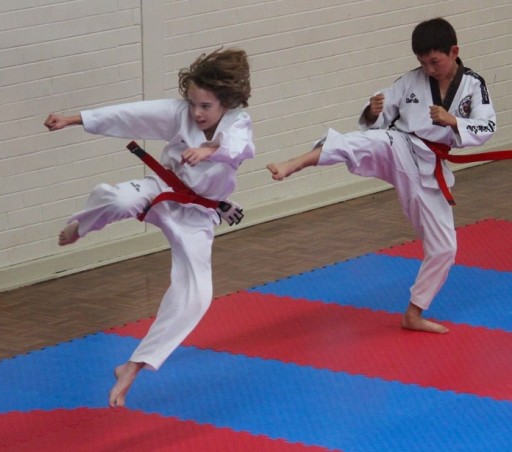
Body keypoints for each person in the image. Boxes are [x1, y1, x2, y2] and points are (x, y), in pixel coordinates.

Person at [44, 48, 254, 406]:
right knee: (117, 200)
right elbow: (130, 115)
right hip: (165, 190)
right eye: (193, 104)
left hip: (198, 216)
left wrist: (209, 150)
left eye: (206, 106)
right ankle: (82, 226)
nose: (197, 113)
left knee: (197, 296)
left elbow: (238, 147)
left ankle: (133, 365)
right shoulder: (179, 113)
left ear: (227, 103)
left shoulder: (238, 123)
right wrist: (73, 119)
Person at [267, 18, 496, 334]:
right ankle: (298, 162)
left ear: (454, 51)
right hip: (401, 144)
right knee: (370, 141)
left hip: (430, 168)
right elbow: (382, 112)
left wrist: (454, 121)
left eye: (434, 61)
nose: (428, 68)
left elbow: (487, 126)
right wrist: (374, 112)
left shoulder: (473, 85)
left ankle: (414, 314)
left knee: (444, 249)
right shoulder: (410, 81)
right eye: (422, 62)